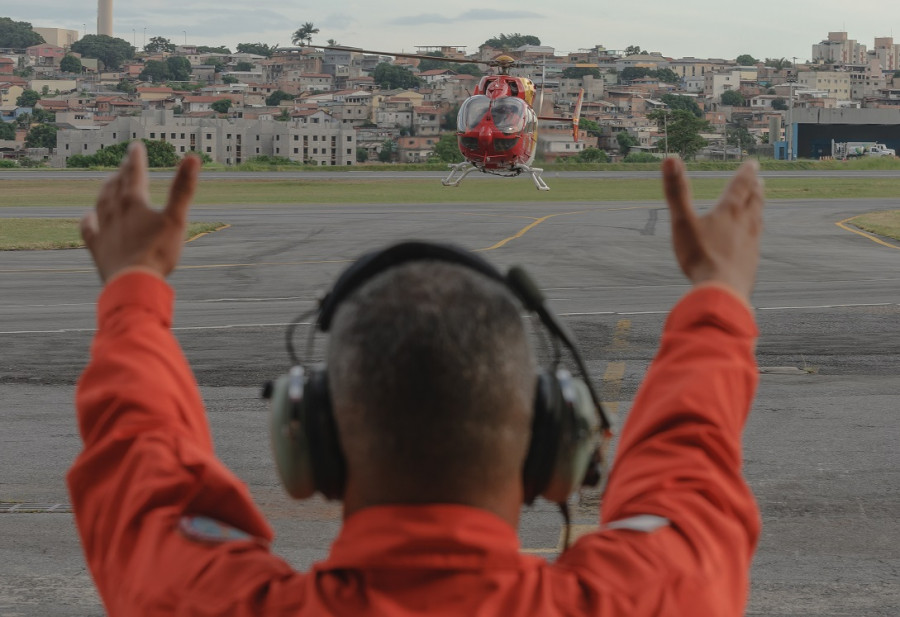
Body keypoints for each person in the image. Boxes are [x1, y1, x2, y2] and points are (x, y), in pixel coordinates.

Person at [68, 141, 764, 615]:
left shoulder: (211, 599)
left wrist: (133, 286)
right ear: (550, 442)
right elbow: (689, 466)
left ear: (311, 437)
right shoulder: (646, 595)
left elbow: (138, 471)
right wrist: (719, 292)